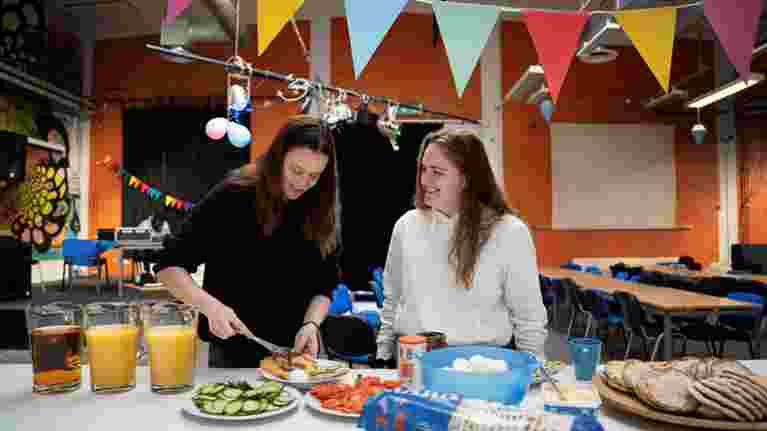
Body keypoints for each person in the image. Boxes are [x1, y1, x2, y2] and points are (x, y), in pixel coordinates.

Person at [156, 115, 339, 367]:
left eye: (314, 176)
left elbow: (324, 285)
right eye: (296, 171)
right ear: (278, 158)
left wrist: (311, 323)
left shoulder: (320, 205)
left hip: (297, 353)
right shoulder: (234, 194)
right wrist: (211, 307)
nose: (303, 183)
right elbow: (169, 266)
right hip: (233, 352)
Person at [375, 128, 548, 366]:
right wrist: (383, 354)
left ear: (466, 179)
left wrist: (532, 367)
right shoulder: (407, 225)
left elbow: (528, 317)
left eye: (437, 172)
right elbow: (392, 299)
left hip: (483, 364)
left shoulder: (509, 231)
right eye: (423, 170)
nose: (425, 180)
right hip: (413, 358)